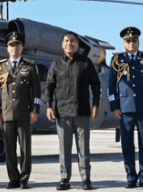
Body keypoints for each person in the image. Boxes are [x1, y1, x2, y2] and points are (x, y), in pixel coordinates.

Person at [44, 32, 101, 191]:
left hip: (82, 111)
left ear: (77, 44)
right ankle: (64, 178)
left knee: (84, 148)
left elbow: (96, 85)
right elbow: (49, 86)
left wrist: (96, 104)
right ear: (62, 45)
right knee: (64, 148)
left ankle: (86, 179)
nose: (70, 43)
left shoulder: (86, 63)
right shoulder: (56, 65)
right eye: (67, 41)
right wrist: (48, 106)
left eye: (73, 41)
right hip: (62, 113)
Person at [108, 26, 143, 189]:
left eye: (134, 40)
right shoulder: (117, 60)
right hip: (125, 108)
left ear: (138, 42)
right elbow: (111, 86)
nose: (131, 43)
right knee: (127, 144)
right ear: (124, 43)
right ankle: (131, 177)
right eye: (128, 41)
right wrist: (114, 106)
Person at [0, 31, 42, 189]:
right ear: (7, 48)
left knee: (25, 148)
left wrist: (35, 110)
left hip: (24, 113)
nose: (14, 47)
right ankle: (13, 178)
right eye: (11, 45)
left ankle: (24, 178)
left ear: (22, 47)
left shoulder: (30, 66)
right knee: (9, 149)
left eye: (17, 45)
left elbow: (37, 92)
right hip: (6, 113)